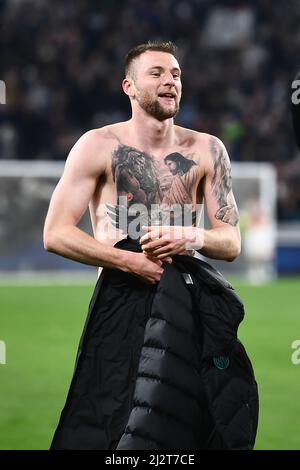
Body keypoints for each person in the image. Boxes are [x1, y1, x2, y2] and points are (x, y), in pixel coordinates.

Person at [44, 41, 246, 450]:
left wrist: (193, 236)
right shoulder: (97, 146)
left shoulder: (208, 150)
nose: (170, 81)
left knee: (191, 429)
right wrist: (131, 263)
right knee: (109, 429)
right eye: (156, 73)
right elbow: (56, 233)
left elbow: (231, 241)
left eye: (176, 74)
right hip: (121, 307)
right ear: (129, 87)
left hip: (187, 308)